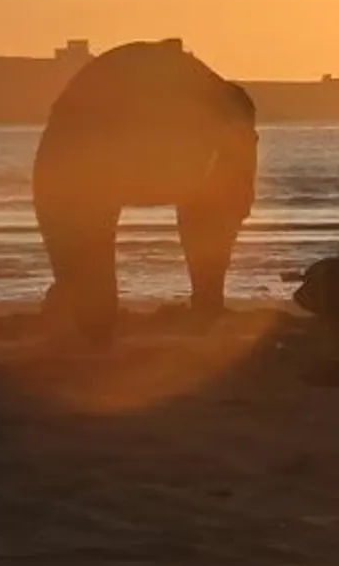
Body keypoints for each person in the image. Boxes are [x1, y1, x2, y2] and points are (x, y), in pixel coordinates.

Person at [32, 40, 259, 343]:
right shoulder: (206, 102)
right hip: (91, 145)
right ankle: (89, 317)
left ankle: (92, 318)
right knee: (85, 265)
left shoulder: (202, 99)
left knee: (84, 263)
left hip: (83, 145)